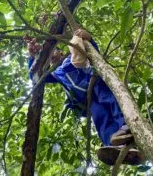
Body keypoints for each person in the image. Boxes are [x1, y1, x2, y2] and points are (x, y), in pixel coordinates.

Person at [27, 29, 144, 166]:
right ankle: (115, 145)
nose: (51, 56)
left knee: (110, 100)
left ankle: (126, 125)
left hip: (96, 82)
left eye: (54, 51)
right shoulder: (57, 73)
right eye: (48, 56)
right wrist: (32, 57)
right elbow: (36, 77)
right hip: (87, 99)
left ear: (60, 51)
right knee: (100, 117)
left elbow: (94, 54)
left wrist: (88, 38)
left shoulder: (70, 56)